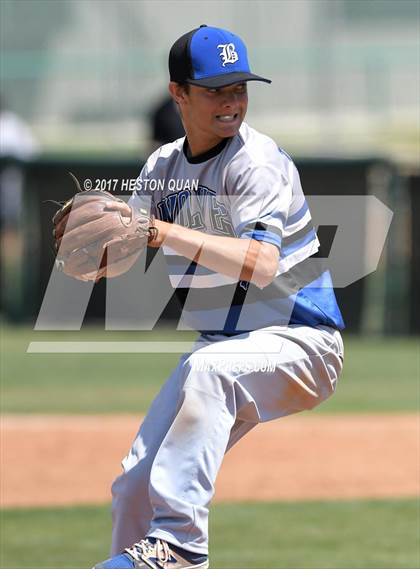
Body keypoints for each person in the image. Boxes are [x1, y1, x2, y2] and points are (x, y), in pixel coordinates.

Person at [94, 25, 344, 569]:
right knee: (134, 487)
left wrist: (159, 232)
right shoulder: (162, 169)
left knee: (209, 371)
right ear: (177, 93)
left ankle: (180, 545)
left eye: (240, 88)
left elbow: (262, 264)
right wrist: (97, 252)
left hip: (302, 342)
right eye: (215, 90)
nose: (232, 101)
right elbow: (123, 259)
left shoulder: (256, 162)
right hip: (225, 347)